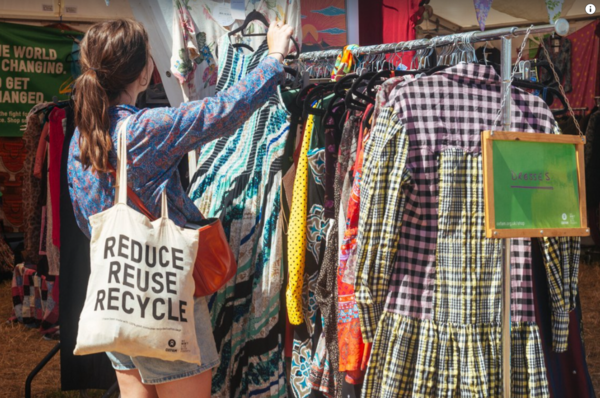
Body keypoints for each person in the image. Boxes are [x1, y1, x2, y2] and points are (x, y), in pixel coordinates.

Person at [68, 18, 293, 398]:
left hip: (114, 297)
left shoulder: (82, 137)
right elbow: (222, 111)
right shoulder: (143, 131)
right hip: (164, 303)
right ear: (143, 73)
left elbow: (86, 219)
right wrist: (273, 58)